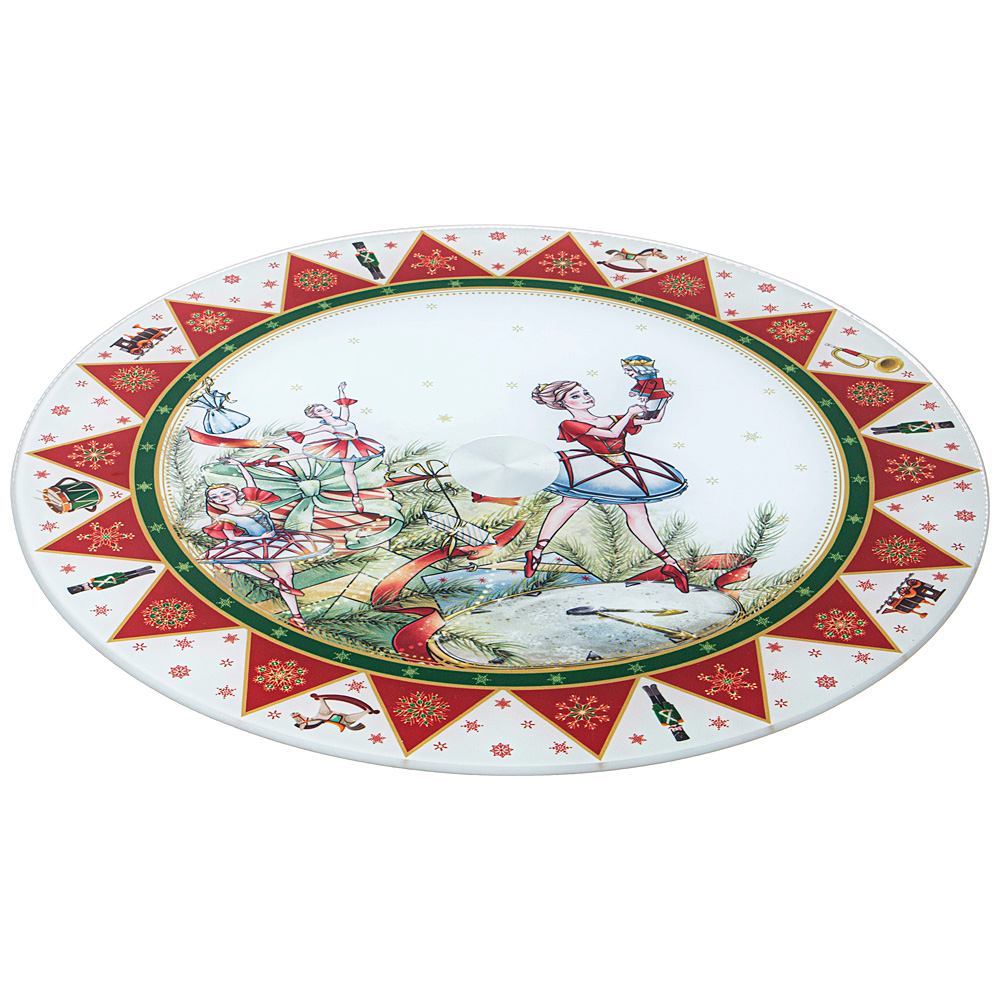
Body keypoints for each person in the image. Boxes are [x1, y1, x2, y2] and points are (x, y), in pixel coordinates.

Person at [526, 380, 689, 591]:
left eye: (585, 392)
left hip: (623, 467)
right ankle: (537, 551)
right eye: (575, 396)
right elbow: (612, 434)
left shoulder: (612, 418)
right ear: (563, 404)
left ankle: (669, 563)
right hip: (593, 468)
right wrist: (629, 415)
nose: (585, 397)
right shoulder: (569, 424)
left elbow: (654, 418)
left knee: (637, 514)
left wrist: (663, 400)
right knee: (570, 505)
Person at [201, 459, 336, 630]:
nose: (221, 498)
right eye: (215, 497)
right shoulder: (225, 518)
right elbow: (232, 539)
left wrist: (239, 465)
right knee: (227, 561)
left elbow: (250, 482)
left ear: (235, 493)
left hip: (276, 541)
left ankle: (296, 616)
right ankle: (271, 581)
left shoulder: (252, 503)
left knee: (287, 576)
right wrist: (259, 538)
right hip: (256, 543)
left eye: (225, 494)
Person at [276, 382, 384, 512]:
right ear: (317, 415)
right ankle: (356, 497)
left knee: (348, 471)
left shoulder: (343, 418)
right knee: (344, 470)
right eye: (320, 410)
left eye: (324, 407)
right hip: (343, 447)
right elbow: (303, 434)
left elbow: (344, 404)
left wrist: (341, 390)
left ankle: (355, 496)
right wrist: (278, 440)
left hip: (357, 444)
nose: (325, 410)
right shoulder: (326, 426)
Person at [186, 376, 250, 434]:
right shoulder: (202, 399)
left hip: (219, 410)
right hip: (212, 412)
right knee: (218, 423)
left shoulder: (214, 395)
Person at [291, 693, 381, 732]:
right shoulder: (314, 720)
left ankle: (321, 699)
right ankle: (366, 712)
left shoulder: (316, 718)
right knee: (348, 719)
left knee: (323, 713)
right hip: (342, 720)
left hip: (327, 716)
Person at [621, 355, 673, 419]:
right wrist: (635, 391)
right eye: (625, 370)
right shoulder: (642, 379)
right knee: (656, 407)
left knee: (651, 407)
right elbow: (640, 385)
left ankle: (646, 417)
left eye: (629, 370)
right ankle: (653, 416)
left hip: (656, 395)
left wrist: (645, 395)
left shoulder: (650, 380)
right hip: (660, 395)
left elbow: (649, 386)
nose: (626, 373)